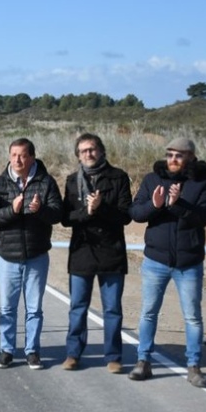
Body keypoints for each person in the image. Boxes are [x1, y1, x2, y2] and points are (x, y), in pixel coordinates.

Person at [128, 137, 206, 388]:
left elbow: (202, 218)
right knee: (148, 312)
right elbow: (135, 213)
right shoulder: (152, 179)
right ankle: (143, 362)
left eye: (179, 155)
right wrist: (155, 206)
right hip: (155, 259)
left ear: (191, 156)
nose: (173, 160)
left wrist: (177, 204)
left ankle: (193, 367)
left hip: (188, 263)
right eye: (169, 155)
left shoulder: (205, 183)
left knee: (192, 317)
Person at [0, 138, 62, 370]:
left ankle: (32, 351)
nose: (17, 159)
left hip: (37, 255)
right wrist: (13, 210)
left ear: (32, 157)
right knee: (7, 308)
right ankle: (6, 350)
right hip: (8, 256)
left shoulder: (46, 182)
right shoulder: (0, 183)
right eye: (14, 155)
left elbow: (58, 214)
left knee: (34, 308)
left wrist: (40, 211)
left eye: (23, 155)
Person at [60, 133, 132, 374]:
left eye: (92, 149)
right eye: (83, 151)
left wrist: (101, 209)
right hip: (82, 251)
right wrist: (88, 212)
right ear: (78, 155)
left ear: (101, 151)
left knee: (112, 309)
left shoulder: (119, 177)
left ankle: (113, 356)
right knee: (78, 307)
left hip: (111, 252)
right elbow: (66, 219)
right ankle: (73, 354)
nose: (88, 154)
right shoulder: (72, 181)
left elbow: (125, 216)